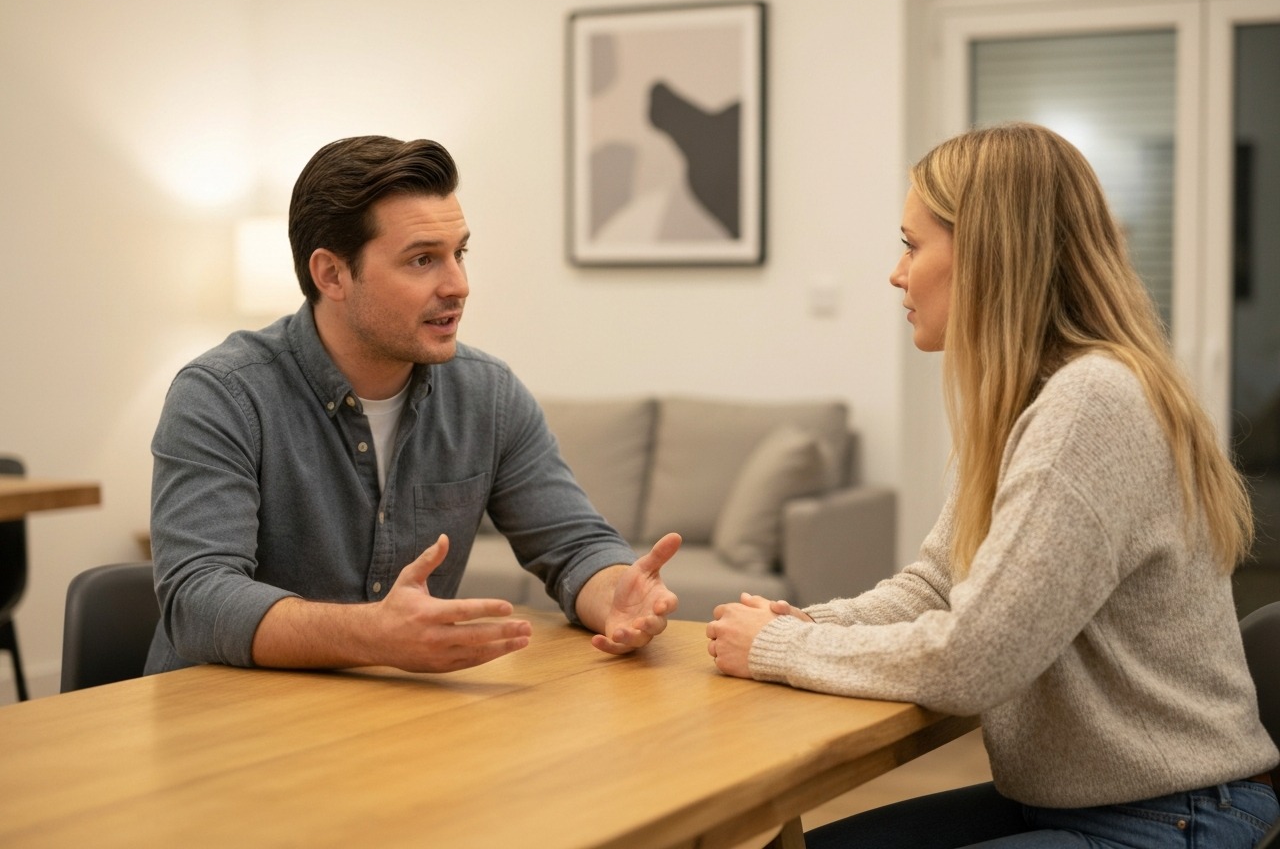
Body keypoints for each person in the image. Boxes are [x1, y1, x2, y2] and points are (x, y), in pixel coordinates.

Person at [705, 122, 1278, 848]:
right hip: (1084, 805)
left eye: (912, 245)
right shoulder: (1032, 402)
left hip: (1175, 814)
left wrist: (777, 650)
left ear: (986, 253)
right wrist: (811, 627)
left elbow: (974, 661)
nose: (896, 272)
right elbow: (936, 586)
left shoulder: (1091, 403)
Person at [145, 135, 680, 676]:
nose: (459, 285)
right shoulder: (221, 395)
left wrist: (615, 593)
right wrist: (371, 636)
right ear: (331, 274)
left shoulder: (487, 395)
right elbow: (199, 600)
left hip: (388, 721)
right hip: (220, 722)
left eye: (459, 253)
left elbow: (574, 546)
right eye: (423, 259)